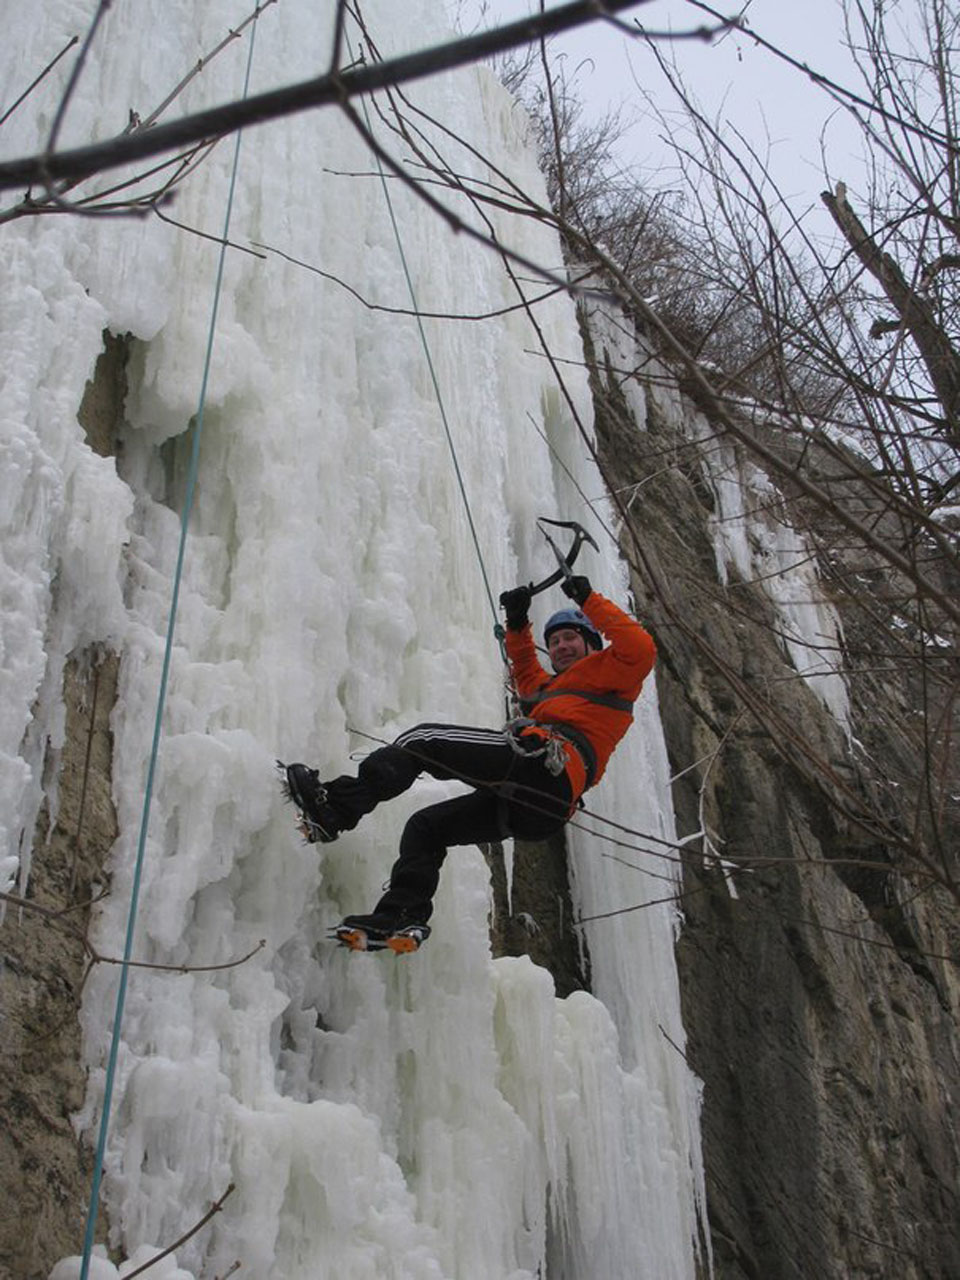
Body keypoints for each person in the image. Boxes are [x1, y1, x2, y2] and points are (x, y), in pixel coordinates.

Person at [283, 574, 656, 951]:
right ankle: (402, 914)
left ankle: (336, 809)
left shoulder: (617, 672)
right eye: (555, 641)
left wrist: (589, 599)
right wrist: (516, 623)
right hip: (541, 809)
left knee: (422, 741)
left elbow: (641, 647)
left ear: (592, 642)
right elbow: (526, 674)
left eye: (570, 638)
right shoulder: (552, 690)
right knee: (426, 827)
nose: (560, 646)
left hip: (545, 766)